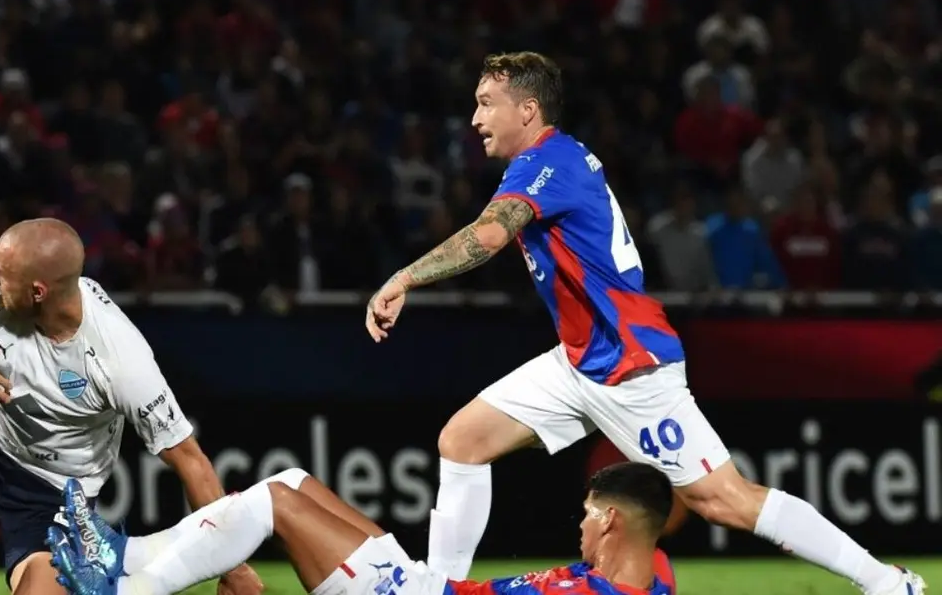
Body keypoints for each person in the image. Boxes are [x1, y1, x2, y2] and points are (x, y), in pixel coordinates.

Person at [363, 52, 926, 595]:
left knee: (724, 498)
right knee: (462, 440)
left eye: (487, 103)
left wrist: (404, 278)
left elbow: (488, 235)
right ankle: (438, 589)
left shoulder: (546, 162)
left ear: (528, 109)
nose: (475, 118)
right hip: (580, 357)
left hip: (629, 365)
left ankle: (885, 581)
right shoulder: (547, 162)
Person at [0, 218, 262, 595]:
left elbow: (190, 459)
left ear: (38, 291)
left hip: (56, 501)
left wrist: (233, 565)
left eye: (4, 276)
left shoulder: (120, 358)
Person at [47, 462, 678, 595]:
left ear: (614, 521)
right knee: (292, 479)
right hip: (429, 586)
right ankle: (126, 552)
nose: (581, 527)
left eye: (590, 516)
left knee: (273, 502)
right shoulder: (652, 577)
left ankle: (129, 591)